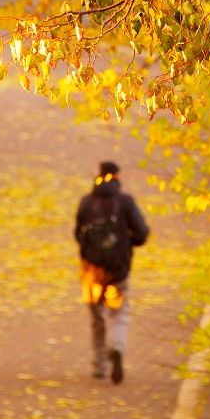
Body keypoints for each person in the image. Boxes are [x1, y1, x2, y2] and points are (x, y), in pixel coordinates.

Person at [74, 160, 149, 384]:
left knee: (97, 318)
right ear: (117, 177)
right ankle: (116, 347)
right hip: (118, 270)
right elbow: (142, 234)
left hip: (91, 271)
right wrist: (127, 243)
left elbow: (78, 235)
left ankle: (99, 365)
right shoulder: (125, 202)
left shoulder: (87, 202)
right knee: (119, 314)